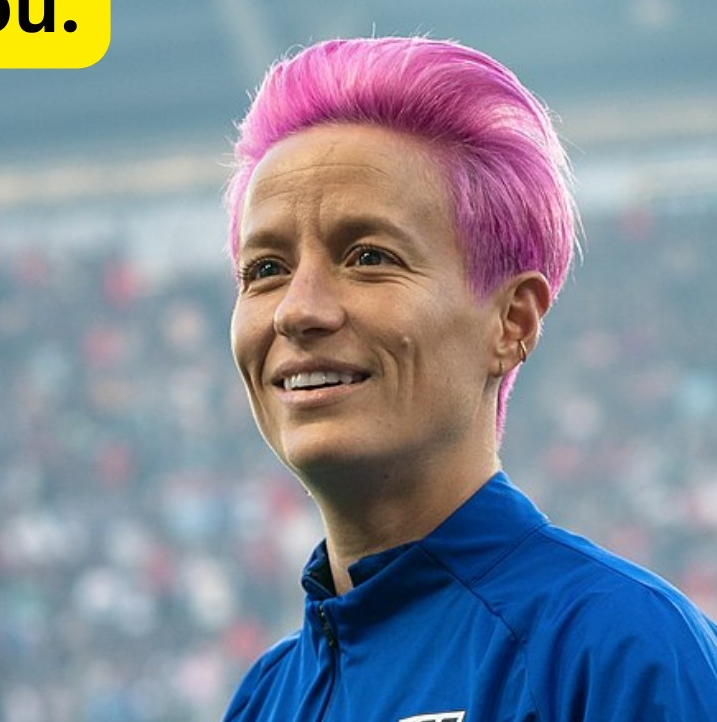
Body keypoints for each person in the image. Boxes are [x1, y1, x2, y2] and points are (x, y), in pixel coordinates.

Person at [221, 37, 717, 721]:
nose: (297, 311)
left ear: (511, 322)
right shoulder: (265, 698)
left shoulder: (619, 650)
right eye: (266, 270)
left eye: (368, 257)